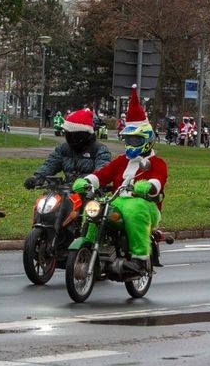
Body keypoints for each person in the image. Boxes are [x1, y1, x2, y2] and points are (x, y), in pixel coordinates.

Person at [72, 86, 167, 271]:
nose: (131, 144)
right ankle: (90, 246)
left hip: (146, 205)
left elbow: (159, 179)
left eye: (136, 140)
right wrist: (88, 181)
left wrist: (148, 186)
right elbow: (104, 174)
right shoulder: (122, 160)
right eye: (129, 140)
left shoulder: (157, 162)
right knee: (95, 210)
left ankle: (139, 257)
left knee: (135, 209)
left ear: (147, 140)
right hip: (118, 200)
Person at [26, 108, 111, 185]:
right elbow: (51, 164)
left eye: (74, 135)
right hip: (67, 192)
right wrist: (37, 177)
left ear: (84, 134)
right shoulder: (63, 149)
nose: (71, 138)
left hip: (91, 194)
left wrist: (90, 181)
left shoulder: (99, 150)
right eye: (68, 134)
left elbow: (102, 171)